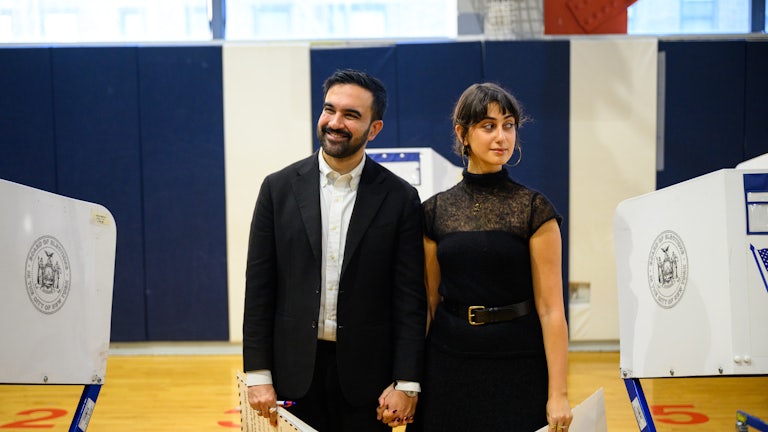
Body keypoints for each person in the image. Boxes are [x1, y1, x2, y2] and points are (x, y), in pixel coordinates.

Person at [242, 69, 426, 432]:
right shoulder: (277, 190)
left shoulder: (401, 198)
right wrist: (258, 373)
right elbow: (259, 287)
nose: (335, 122)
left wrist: (406, 382)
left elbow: (409, 298)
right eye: (330, 110)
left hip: (367, 379)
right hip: (292, 375)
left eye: (351, 115)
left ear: (374, 129)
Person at [409, 82, 573, 431]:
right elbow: (429, 305)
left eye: (508, 125)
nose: (502, 136)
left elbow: (551, 310)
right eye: (488, 126)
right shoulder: (434, 211)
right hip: (448, 363)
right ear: (462, 133)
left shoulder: (534, 209)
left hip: (518, 362)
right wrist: (409, 380)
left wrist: (558, 393)